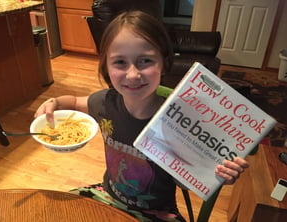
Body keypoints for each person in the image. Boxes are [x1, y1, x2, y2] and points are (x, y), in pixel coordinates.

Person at [35, 11, 249, 222]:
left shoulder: (178, 120)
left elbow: (186, 181)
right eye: (119, 62)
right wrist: (53, 103)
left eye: (145, 60)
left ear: (164, 63)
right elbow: (73, 102)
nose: (133, 74)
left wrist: (220, 173)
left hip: (157, 211)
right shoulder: (104, 103)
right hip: (108, 194)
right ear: (106, 68)